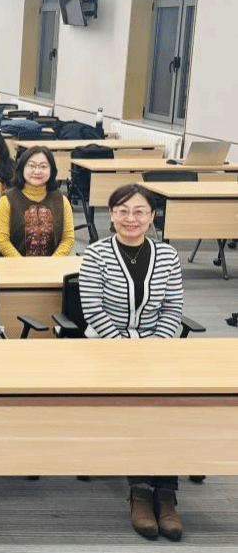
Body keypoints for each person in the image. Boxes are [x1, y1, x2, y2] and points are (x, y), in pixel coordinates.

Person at [78, 184, 185, 542]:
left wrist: (154, 346)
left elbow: (173, 308)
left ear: (152, 216)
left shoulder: (167, 255)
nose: (131, 219)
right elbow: (92, 309)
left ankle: (165, 492)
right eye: (122, 211)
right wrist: (127, 348)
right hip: (107, 348)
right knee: (139, 405)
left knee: (172, 403)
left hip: (158, 347)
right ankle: (140, 490)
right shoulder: (95, 254)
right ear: (111, 214)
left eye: (139, 211)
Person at [0, 146, 74, 257]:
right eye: (31, 166)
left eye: (43, 166)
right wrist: (24, 264)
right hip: (14, 265)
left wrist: (53, 262)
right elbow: (2, 242)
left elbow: (68, 238)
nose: (37, 171)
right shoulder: (6, 201)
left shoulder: (62, 201)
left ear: (51, 170)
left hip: (53, 265)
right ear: (22, 168)